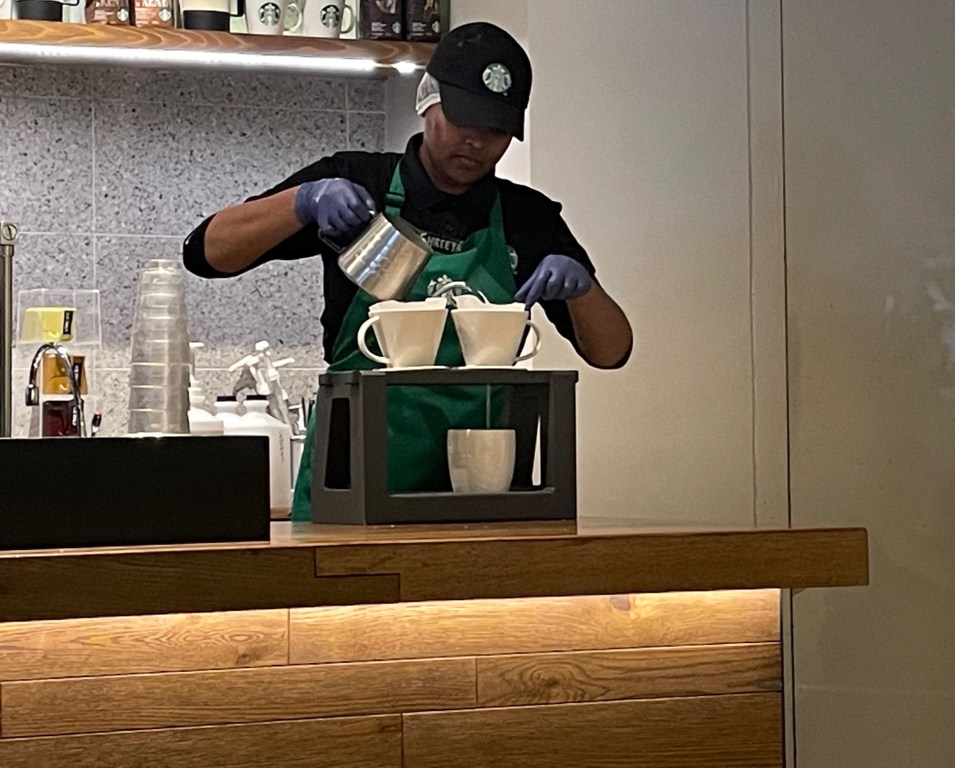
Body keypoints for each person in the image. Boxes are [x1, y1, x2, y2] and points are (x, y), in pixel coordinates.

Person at [182, 21, 633, 520]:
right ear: (427, 98)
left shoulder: (528, 218)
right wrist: (303, 201)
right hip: (352, 485)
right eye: (463, 120)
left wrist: (581, 288)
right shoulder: (360, 181)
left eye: (496, 130)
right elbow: (205, 253)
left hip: (482, 490)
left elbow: (611, 352)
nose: (476, 142)